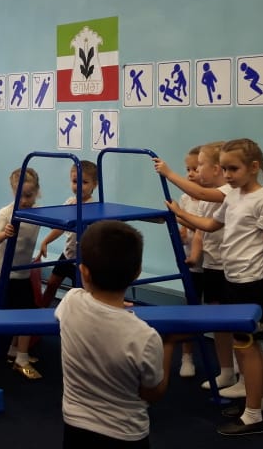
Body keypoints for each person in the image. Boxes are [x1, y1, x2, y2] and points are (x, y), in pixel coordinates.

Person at [166, 138, 263, 436]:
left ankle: (253, 415)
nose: (228, 175)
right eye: (225, 169)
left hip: (253, 282)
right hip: (233, 278)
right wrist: (180, 213)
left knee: (248, 346)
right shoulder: (233, 196)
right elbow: (209, 225)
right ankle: (255, 402)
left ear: (254, 167)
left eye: (233, 169)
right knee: (243, 345)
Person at [55, 220, 176, 448]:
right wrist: (168, 344)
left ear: (84, 272)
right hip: (126, 434)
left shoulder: (70, 303)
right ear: (137, 273)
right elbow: (153, 393)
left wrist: (111, 307)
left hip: (75, 430)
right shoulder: (146, 337)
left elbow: (91, 303)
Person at [155, 142, 238, 389]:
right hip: (211, 265)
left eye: (199, 165)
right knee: (216, 320)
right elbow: (202, 228)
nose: (196, 171)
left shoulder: (228, 192)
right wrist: (193, 250)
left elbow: (201, 198)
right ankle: (226, 370)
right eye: (192, 167)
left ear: (216, 169)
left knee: (233, 321)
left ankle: (240, 371)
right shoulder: (205, 199)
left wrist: (169, 174)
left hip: (230, 268)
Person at [0, 167, 43, 379]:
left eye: (29, 196)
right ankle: (21, 358)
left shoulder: (37, 212)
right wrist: (5, 233)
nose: (24, 201)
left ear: (37, 192)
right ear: (13, 192)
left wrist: (47, 242)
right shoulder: (6, 213)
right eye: (20, 195)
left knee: (25, 313)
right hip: (3, 274)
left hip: (22, 272)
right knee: (25, 315)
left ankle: (15, 351)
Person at [36, 160, 98, 306]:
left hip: (84, 260)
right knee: (51, 284)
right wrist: (46, 241)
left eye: (84, 182)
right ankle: (41, 310)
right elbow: (61, 228)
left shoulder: (94, 207)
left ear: (94, 185)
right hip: (68, 254)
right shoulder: (70, 202)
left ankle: (79, 315)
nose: (78, 186)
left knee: (80, 294)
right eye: (75, 181)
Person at [174, 147, 202, 378]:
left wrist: (184, 220)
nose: (191, 174)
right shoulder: (185, 198)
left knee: (218, 311)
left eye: (196, 169)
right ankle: (187, 356)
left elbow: (205, 227)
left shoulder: (213, 199)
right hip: (191, 264)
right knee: (190, 309)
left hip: (213, 263)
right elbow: (185, 230)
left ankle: (231, 361)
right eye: (188, 169)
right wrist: (182, 233)